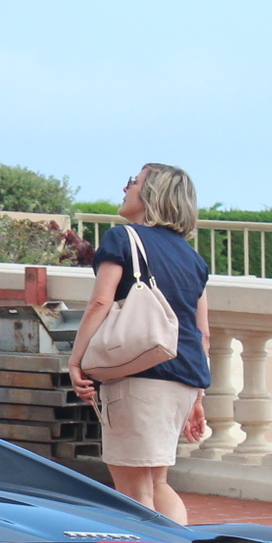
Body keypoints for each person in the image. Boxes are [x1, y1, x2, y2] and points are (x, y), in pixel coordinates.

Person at [68, 163, 211, 524]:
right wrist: (197, 397)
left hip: (137, 376)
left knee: (133, 493)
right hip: (181, 379)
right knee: (158, 484)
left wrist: (77, 360)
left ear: (152, 193)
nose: (125, 186)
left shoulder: (122, 238)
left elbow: (100, 303)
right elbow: (201, 331)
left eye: (134, 180)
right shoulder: (193, 258)